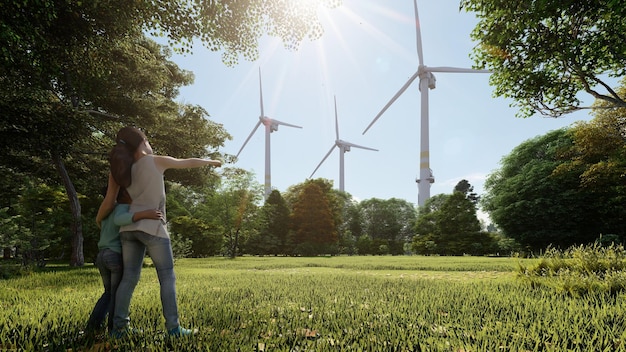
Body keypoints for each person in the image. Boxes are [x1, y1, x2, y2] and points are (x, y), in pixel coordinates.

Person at [104, 126, 222, 338]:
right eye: (147, 141)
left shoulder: (120, 170)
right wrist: (211, 161)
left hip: (128, 229)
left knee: (129, 278)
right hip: (153, 228)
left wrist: (99, 220)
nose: (150, 145)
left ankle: (119, 328)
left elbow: (110, 200)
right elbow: (186, 162)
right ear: (142, 144)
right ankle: (173, 328)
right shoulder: (155, 161)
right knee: (167, 277)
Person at [87, 176, 162, 334]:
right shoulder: (122, 207)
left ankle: (93, 327)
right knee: (117, 295)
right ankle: (117, 328)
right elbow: (120, 220)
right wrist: (144, 214)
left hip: (102, 255)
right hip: (114, 256)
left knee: (108, 294)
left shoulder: (108, 210)